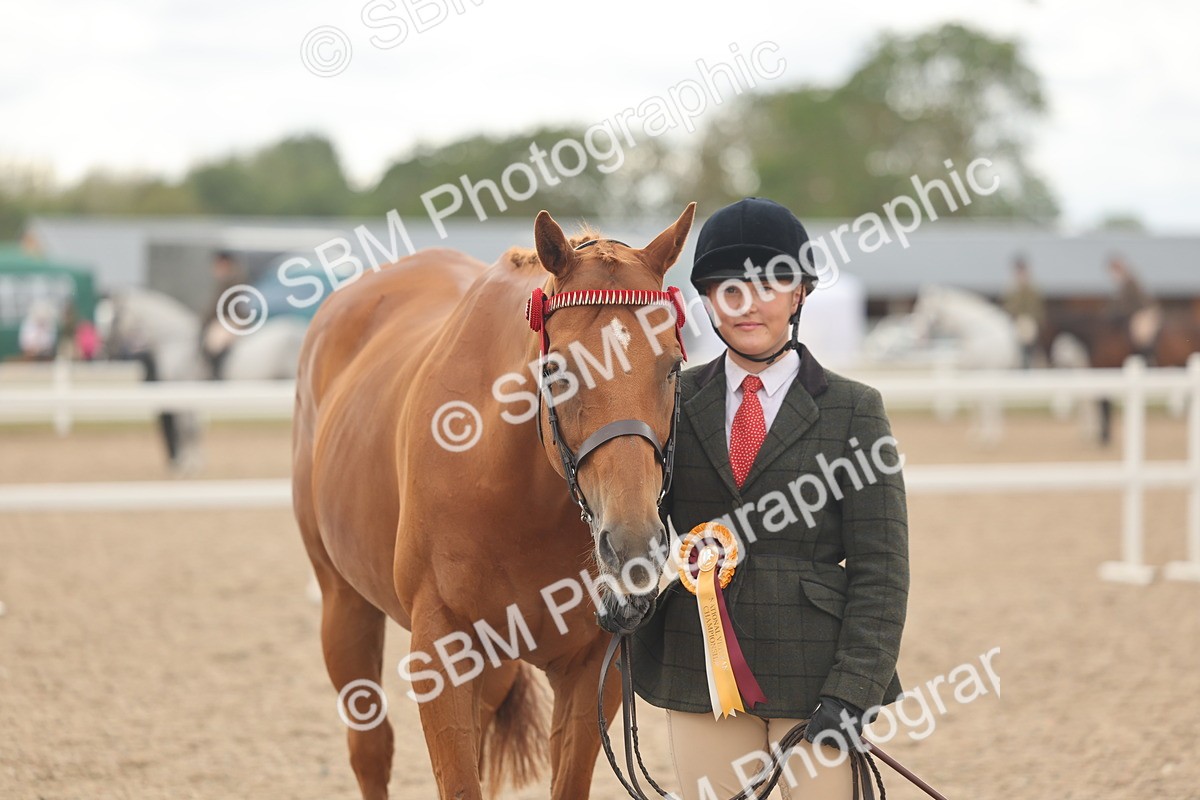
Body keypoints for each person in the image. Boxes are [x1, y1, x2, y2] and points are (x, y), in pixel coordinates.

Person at [631, 198, 909, 800]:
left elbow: (882, 569)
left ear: (799, 293)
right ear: (708, 300)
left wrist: (854, 692)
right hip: (702, 670)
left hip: (816, 672)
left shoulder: (856, 410)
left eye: (768, 285)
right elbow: (633, 515)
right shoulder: (671, 402)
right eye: (729, 288)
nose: (748, 304)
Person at [200, 250, 245, 380]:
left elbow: (237, 309)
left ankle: (217, 373)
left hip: (233, 321)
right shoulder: (220, 284)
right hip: (223, 320)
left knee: (216, 342)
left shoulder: (234, 283)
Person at [1107, 254, 1161, 362]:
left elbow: (1127, 305)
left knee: (1140, 334)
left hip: (1144, 311)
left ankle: (1149, 358)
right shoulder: (1123, 283)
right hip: (1136, 312)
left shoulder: (1129, 282)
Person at [1003, 255, 1045, 369]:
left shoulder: (1032, 289)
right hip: (1013, 320)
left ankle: (1026, 361)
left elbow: (1035, 308)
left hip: (1027, 319)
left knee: (1026, 329)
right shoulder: (1011, 289)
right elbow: (1008, 307)